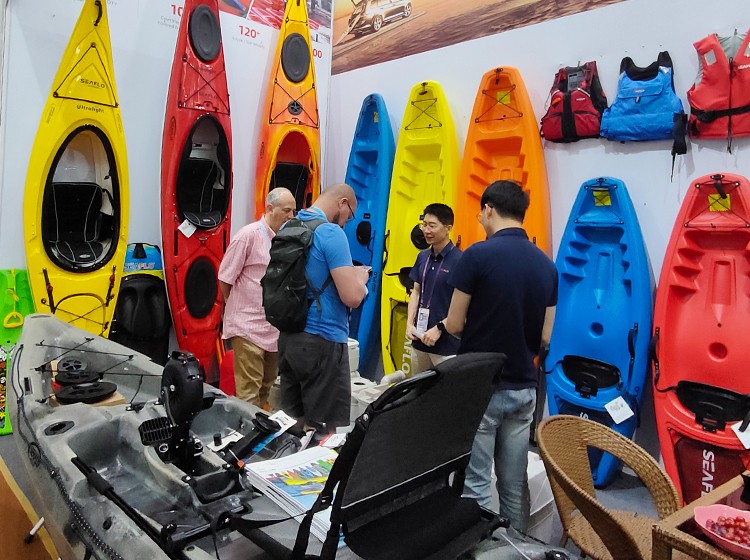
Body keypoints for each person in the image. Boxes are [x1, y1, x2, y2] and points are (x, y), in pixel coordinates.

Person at [431, 180, 557, 531]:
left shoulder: (476, 255)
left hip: (481, 386)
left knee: (476, 482)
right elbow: (545, 337)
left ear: (488, 209)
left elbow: (454, 324)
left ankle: (483, 548)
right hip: (524, 387)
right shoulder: (546, 265)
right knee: (514, 484)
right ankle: (516, 547)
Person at [278, 183, 369, 433]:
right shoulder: (330, 233)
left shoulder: (289, 226)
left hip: (289, 338)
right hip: (323, 341)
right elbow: (352, 297)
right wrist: (361, 279)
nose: (346, 222)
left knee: (293, 424)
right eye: (349, 215)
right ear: (342, 203)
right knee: (321, 432)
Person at [218, 187, 296, 408]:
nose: (291, 216)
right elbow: (225, 277)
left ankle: (259, 426)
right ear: (270, 208)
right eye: (287, 210)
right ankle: (248, 428)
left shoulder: (289, 239)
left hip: (273, 327)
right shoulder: (248, 236)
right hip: (247, 325)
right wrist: (233, 306)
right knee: (249, 393)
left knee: (266, 388)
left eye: (294, 211)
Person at [406, 203, 462, 372]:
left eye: (432, 226)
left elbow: (464, 306)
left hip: (446, 345)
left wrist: (440, 328)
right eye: (424, 225)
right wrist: (409, 324)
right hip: (419, 340)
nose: (426, 231)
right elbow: (416, 292)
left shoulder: (461, 260)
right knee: (418, 387)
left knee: (447, 388)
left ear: (448, 228)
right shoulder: (422, 257)